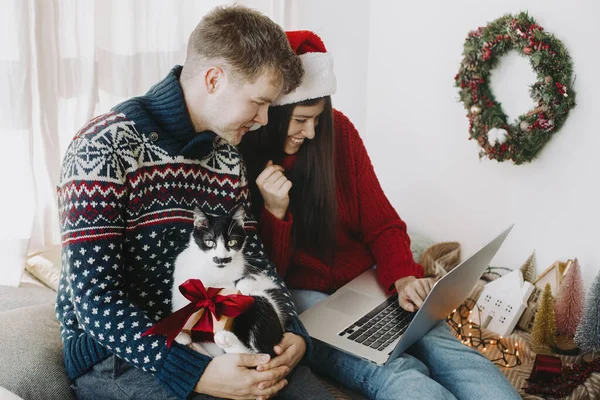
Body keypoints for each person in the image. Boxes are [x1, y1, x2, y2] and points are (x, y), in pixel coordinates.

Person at [56, 8, 331, 400]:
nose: (264, 119)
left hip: (218, 330)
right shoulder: (101, 148)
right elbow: (96, 303)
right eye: (258, 102)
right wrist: (195, 373)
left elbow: (254, 259)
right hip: (119, 354)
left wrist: (292, 334)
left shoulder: (227, 157)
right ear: (214, 79)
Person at [239, 30, 522, 400]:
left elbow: (383, 223)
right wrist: (275, 213)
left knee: (451, 353)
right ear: (272, 113)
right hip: (305, 296)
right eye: (300, 120)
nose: (311, 132)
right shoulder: (242, 151)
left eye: (318, 119)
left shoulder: (338, 132)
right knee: (393, 371)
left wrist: (403, 277)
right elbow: (264, 277)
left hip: (367, 280)